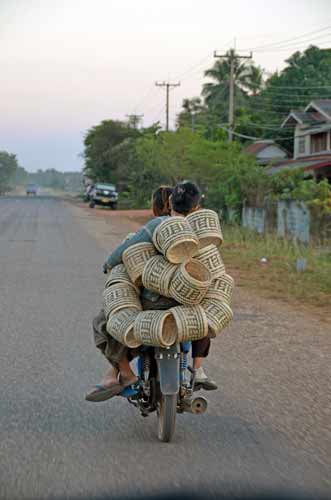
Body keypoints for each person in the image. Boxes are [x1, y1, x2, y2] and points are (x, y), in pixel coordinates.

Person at [86, 182, 217, 402]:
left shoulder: (158, 225)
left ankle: (125, 373)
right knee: (207, 316)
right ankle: (198, 369)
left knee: (107, 322)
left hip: (153, 303)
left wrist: (108, 264)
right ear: (197, 208)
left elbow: (125, 251)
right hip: (189, 305)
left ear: (170, 203)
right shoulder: (202, 230)